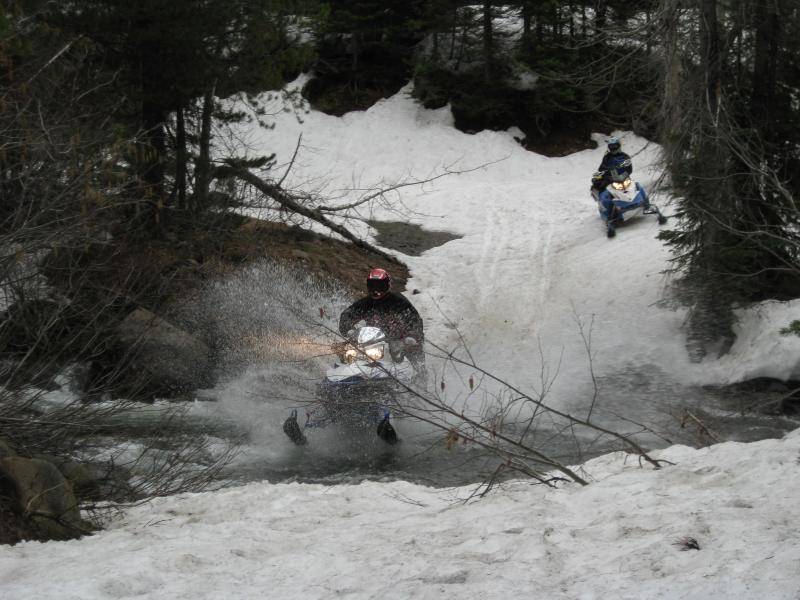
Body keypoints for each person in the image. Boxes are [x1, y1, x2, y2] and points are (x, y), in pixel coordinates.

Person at [339, 268, 424, 363]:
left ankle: (420, 373)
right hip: (373, 345)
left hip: (400, 344)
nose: (376, 290)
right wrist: (349, 331)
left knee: (415, 360)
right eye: (372, 286)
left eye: (380, 286)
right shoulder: (366, 303)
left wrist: (410, 337)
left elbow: (414, 321)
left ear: (387, 285)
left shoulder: (399, 302)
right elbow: (348, 314)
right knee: (347, 357)